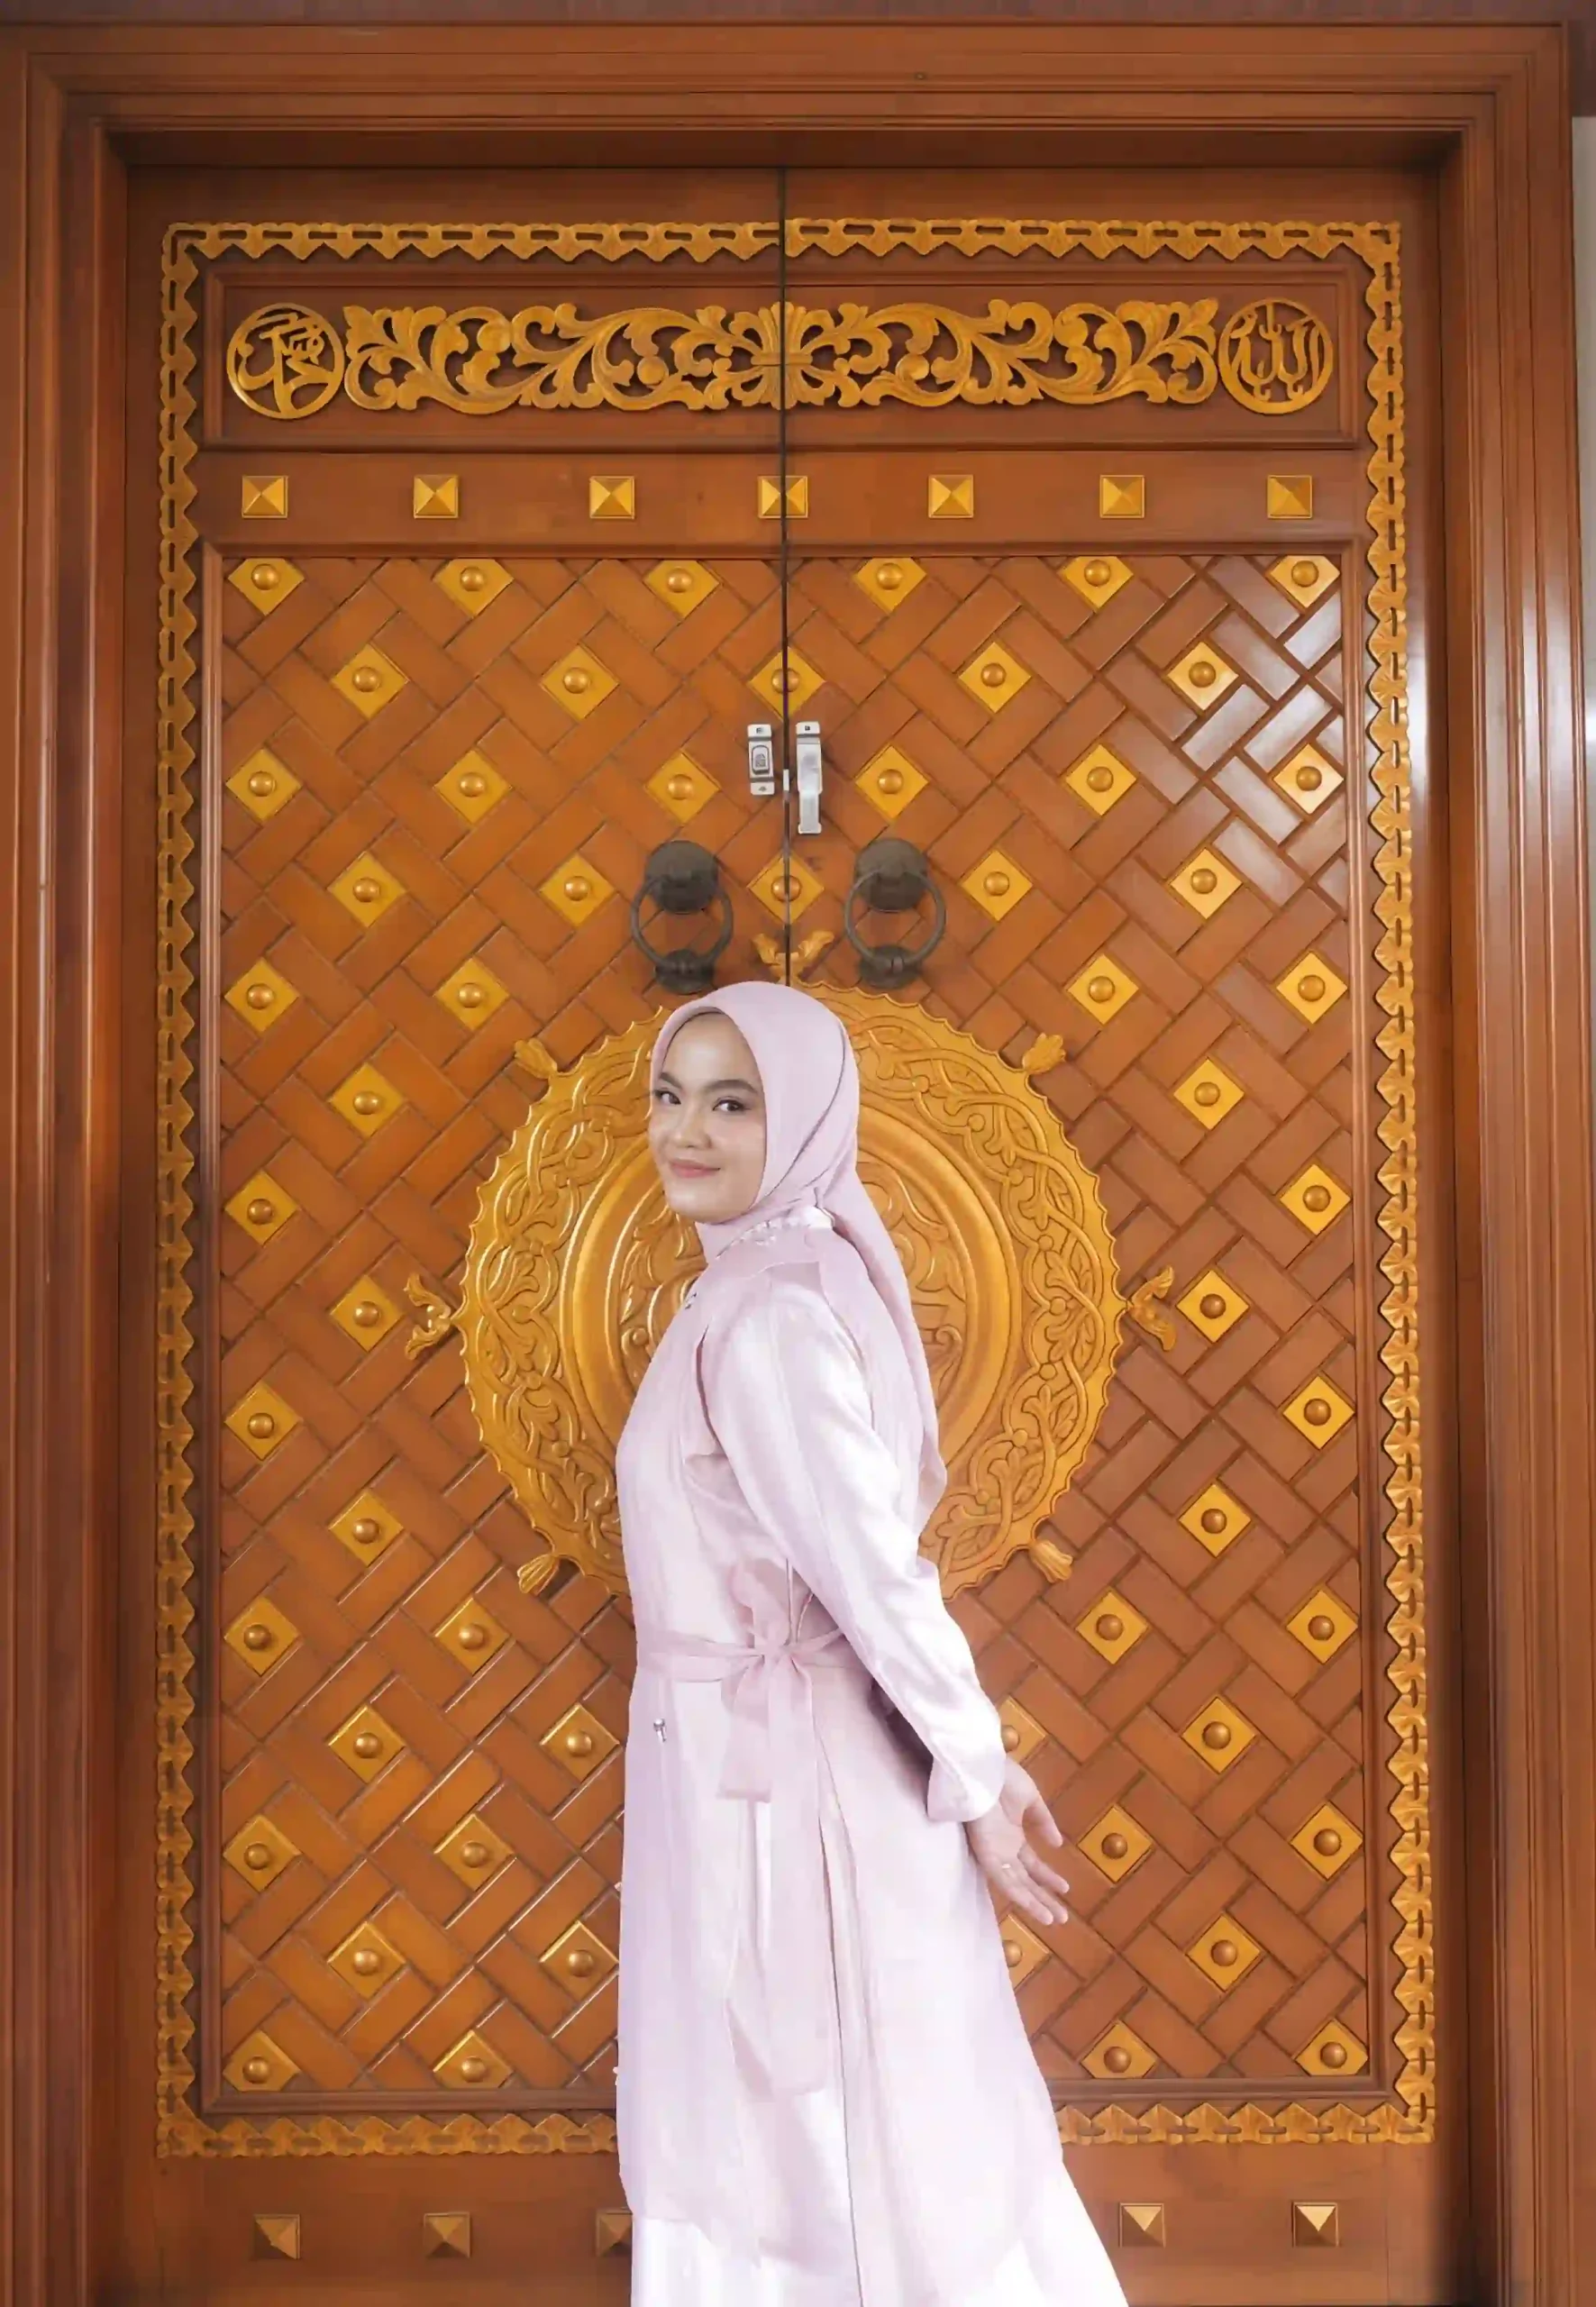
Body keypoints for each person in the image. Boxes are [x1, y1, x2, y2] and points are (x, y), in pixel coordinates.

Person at [615, 979, 1127, 2307]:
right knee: (811, 2106)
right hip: (744, 1762)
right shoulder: (755, 1283)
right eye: (671, 1096)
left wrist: (976, 1767)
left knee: (813, 2116)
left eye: (733, 1103)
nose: (687, 1131)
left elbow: (872, 1573)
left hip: (787, 1792)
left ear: (799, 1120)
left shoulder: (774, 1317)